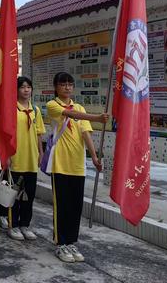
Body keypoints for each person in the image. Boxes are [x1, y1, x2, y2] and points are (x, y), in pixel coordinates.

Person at [46, 72, 108, 263]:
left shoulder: (79, 106)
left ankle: (71, 241)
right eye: (63, 84)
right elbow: (70, 115)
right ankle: (60, 243)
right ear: (56, 87)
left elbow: (85, 133)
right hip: (60, 164)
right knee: (62, 206)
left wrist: (95, 157)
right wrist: (97, 117)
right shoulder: (53, 105)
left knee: (75, 206)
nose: (67, 87)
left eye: (70, 84)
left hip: (77, 165)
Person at [7, 76, 45, 241]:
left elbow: (38, 134)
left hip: (31, 159)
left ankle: (25, 224)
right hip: (16, 158)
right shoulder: (11, 109)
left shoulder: (35, 110)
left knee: (29, 194)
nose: (26, 90)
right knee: (13, 194)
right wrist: (6, 155)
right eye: (22, 87)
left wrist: (40, 153)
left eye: (28, 87)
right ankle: (13, 225)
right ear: (16, 90)